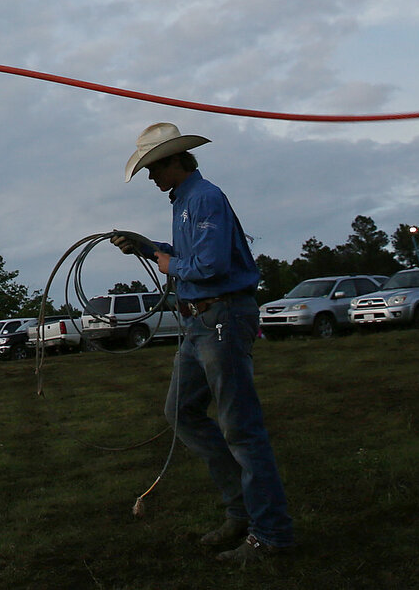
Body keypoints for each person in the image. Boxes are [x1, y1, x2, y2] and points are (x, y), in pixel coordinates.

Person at [109, 122, 294, 567]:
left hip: (222, 317)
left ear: (176, 161)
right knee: (181, 412)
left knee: (240, 428)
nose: (152, 177)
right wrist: (149, 246)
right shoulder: (186, 201)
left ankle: (270, 535)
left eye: (155, 167)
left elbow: (208, 265)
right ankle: (243, 512)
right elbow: (191, 257)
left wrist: (156, 255)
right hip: (201, 322)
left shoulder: (205, 197)